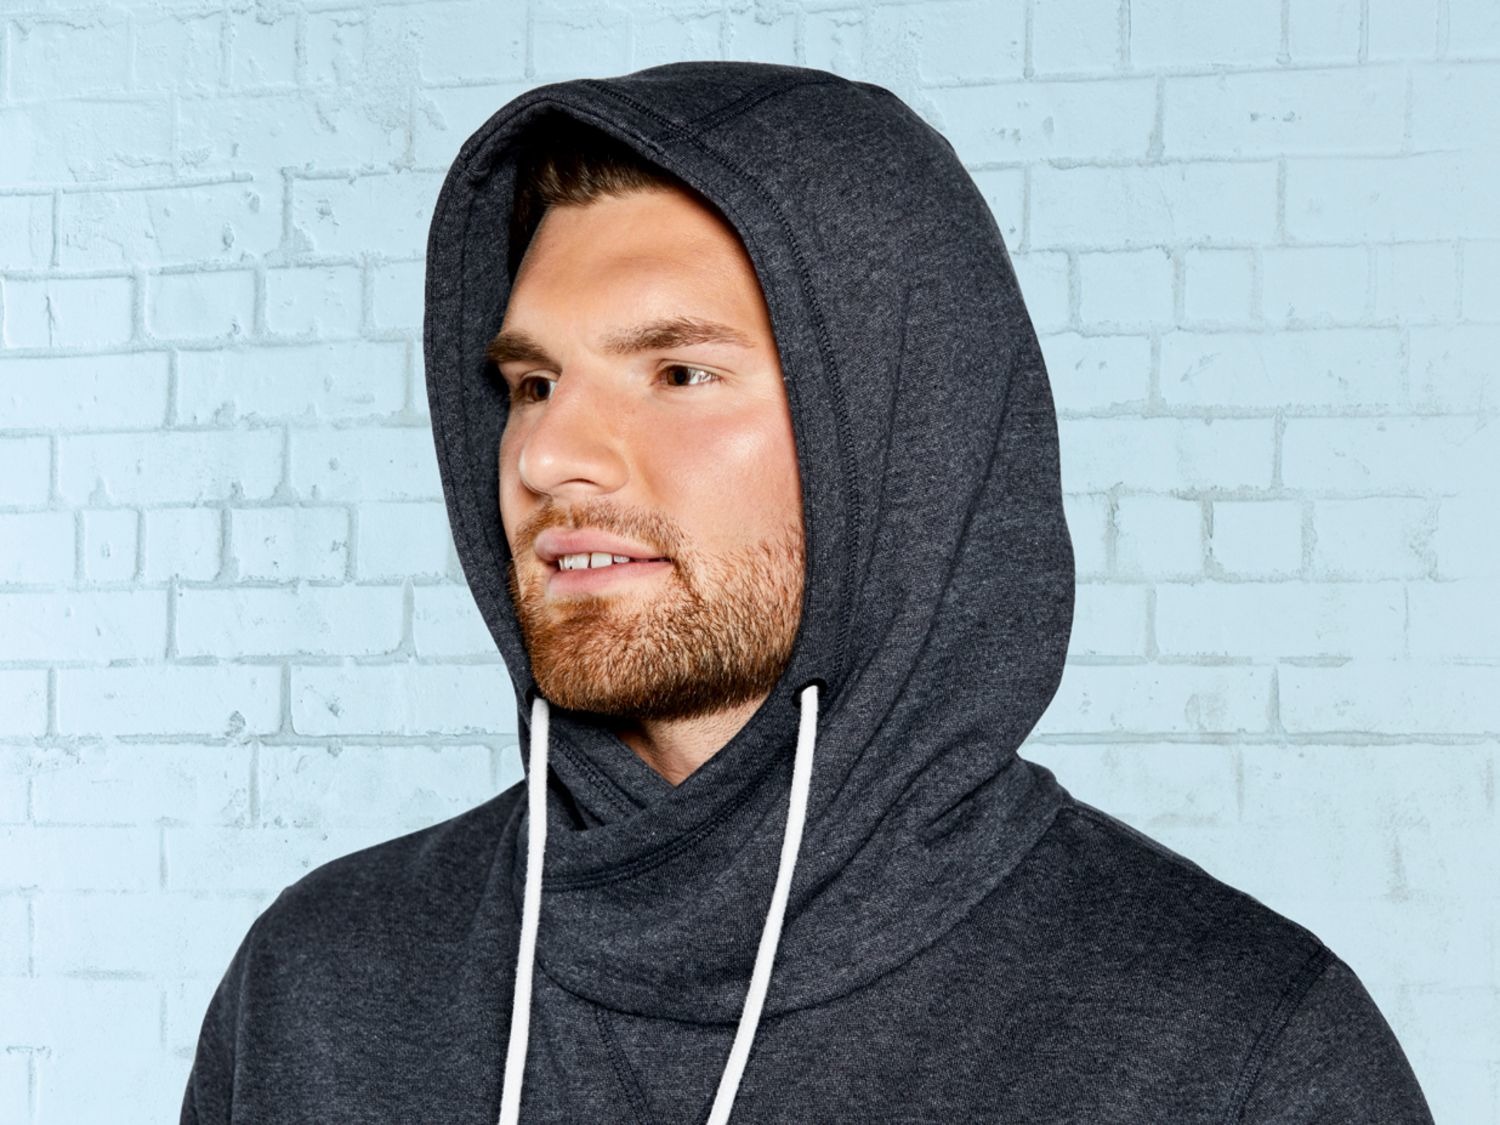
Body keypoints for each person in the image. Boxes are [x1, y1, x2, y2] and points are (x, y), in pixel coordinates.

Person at [181, 61, 1435, 1123]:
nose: (549, 455)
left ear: (900, 441)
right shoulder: (317, 985)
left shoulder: (1235, 1052)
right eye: (533, 384)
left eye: (678, 374)